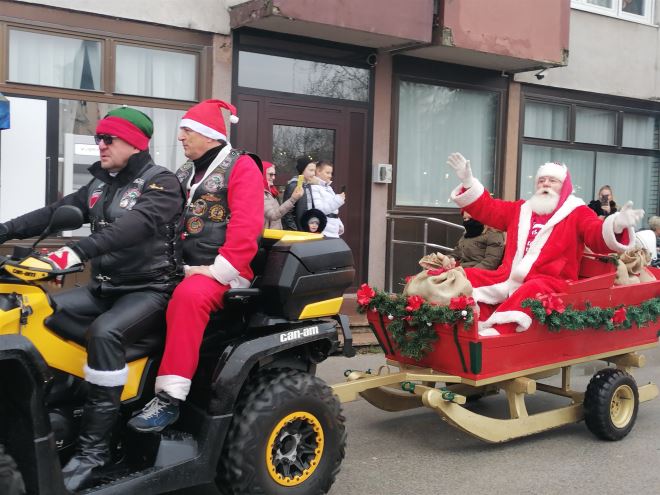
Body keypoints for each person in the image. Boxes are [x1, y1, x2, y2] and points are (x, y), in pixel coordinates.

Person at [0, 107, 186, 491]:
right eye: (98, 138)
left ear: (134, 142)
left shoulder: (161, 183)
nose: (100, 145)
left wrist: (72, 254)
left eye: (108, 139)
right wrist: (4, 230)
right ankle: (52, 407)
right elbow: (52, 214)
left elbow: (133, 227)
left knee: (105, 333)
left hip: (150, 290)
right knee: (38, 312)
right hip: (103, 288)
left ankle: (93, 453)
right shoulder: (100, 185)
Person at [128, 99, 263, 432]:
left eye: (187, 130)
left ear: (209, 134)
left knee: (189, 296)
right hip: (181, 266)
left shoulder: (242, 166)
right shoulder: (185, 171)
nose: (181, 137)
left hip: (224, 270)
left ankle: (169, 399)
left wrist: (217, 271)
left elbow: (247, 227)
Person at [447, 152, 643, 336]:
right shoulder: (521, 209)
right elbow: (490, 208)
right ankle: (461, 324)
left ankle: (498, 332)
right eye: (541, 180)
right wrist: (468, 182)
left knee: (531, 289)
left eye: (552, 180)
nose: (545, 184)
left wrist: (616, 225)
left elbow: (595, 234)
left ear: (564, 186)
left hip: (551, 282)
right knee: (468, 275)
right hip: (509, 275)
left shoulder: (577, 212)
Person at [306, 160, 345, 238]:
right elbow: (319, 210)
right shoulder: (314, 187)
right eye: (327, 173)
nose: (330, 176)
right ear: (318, 171)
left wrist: (339, 224)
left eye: (331, 173)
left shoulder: (328, 188)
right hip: (323, 231)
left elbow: (333, 211)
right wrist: (338, 200)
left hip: (332, 230)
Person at [263, 162, 303, 229]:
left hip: (273, 233)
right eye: (270, 174)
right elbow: (273, 215)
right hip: (268, 234)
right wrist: (293, 199)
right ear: (262, 174)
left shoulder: (271, 191)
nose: (273, 177)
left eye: (274, 174)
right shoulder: (260, 193)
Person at [281, 157, 316, 230]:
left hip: (307, 228)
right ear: (302, 170)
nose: (313, 173)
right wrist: (294, 230)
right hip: (297, 230)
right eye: (311, 170)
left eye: (314, 171)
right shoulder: (293, 185)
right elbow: (287, 212)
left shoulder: (308, 185)